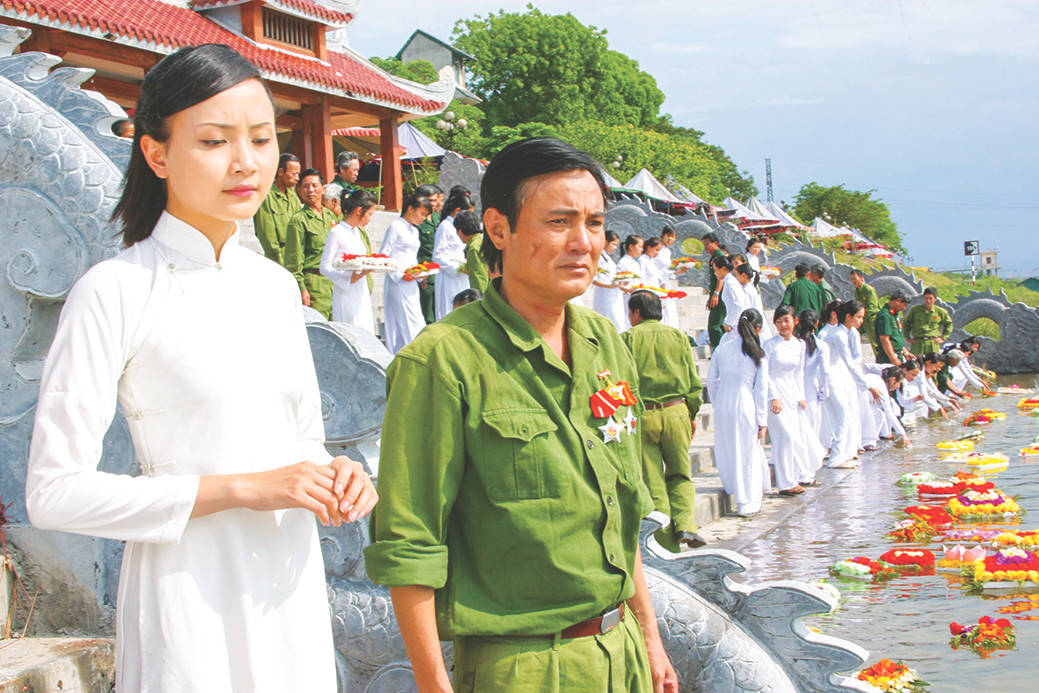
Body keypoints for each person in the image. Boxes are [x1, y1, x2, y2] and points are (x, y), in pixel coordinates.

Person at [25, 44, 377, 692]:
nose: (246, 161)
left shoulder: (274, 287)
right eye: (215, 141)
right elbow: (52, 494)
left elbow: (302, 442)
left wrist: (339, 474)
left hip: (289, 588)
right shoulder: (117, 289)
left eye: (262, 139)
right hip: (187, 594)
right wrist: (241, 488)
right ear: (156, 154)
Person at [365, 137, 677, 692]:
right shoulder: (443, 361)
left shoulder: (606, 342)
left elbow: (619, 510)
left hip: (622, 649)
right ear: (499, 228)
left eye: (595, 223)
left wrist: (650, 640)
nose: (583, 242)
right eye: (559, 221)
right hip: (523, 667)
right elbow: (409, 543)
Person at [622, 290, 706, 551]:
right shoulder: (678, 336)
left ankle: (665, 540)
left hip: (644, 414)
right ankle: (686, 525)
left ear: (636, 312)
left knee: (653, 481)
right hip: (676, 410)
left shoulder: (627, 338)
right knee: (680, 473)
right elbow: (693, 380)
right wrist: (691, 413)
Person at [706, 308, 770, 517]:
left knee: (728, 449)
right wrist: (762, 420)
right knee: (747, 451)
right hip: (745, 404)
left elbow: (711, 380)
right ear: (758, 329)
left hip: (724, 402)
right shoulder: (758, 355)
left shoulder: (722, 348)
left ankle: (734, 487)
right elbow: (761, 391)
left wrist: (718, 401)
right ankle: (747, 499)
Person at [764, 306, 825, 495]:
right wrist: (774, 396)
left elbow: (799, 372)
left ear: (795, 321)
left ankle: (794, 478)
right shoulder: (769, 345)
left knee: (796, 438)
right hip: (774, 395)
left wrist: (801, 396)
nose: (783, 325)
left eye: (786, 320)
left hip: (791, 395)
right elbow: (765, 373)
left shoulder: (800, 345)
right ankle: (785, 483)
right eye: (779, 321)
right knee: (785, 436)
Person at [823, 300, 882, 469]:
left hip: (838, 377)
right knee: (842, 416)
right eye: (859, 317)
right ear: (848, 316)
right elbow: (850, 363)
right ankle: (836, 458)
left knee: (847, 415)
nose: (861, 321)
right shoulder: (838, 335)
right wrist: (868, 386)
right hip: (831, 379)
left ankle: (844, 454)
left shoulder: (845, 333)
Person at [379, 193, 432, 354]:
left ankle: (414, 351)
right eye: (421, 213)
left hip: (411, 281)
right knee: (405, 319)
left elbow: (412, 258)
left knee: (415, 318)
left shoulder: (414, 231)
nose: (423, 218)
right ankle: (411, 352)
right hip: (398, 281)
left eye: (425, 215)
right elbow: (384, 255)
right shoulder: (395, 226)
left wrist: (420, 276)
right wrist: (399, 274)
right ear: (410, 208)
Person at [319, 189, 377, 332]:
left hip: (361, 289)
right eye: (369, 214)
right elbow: (324, 266)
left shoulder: (356, 231)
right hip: (346, 291)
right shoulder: (337, 232)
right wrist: (347, 280)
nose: (370, 219)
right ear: (359, 210)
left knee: (365, 329)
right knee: (351, 330)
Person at [285, 168, 337, 320]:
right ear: (299, 191)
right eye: (305, 186)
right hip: (314, 285)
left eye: (314, 186)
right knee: (318, 327)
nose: (310, 190)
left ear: (323, 189)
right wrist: (301, 288)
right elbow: (293, 260)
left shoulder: (330, 216)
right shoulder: (298, 221)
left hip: (333, 282)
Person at [253, 151, 300, 265]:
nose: (297, 178)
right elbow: (267, 236)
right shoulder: (267, 196)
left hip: (297, 256)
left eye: (298, 174)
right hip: (280, 258)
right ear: (280, 172)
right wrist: (280, 263)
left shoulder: (293, 195)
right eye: (293, 174)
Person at [432, 193, 473, 320]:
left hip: (462, 275)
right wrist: (456, 269)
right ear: (457, 210)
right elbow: (438, 255)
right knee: (449, 308)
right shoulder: (445, 226)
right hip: (449, 276)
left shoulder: (458, 227)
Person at [796, 309, 831, 451]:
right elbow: (825, 371)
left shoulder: (795, 343)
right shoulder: (821, 345)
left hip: (794, 387)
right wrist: (824, 389)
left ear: (798, 322)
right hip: (811, 388)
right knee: (812, 425)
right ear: (817, 323)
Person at [415, 183, 445, 324]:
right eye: (429, 200)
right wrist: (420, 275)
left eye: (434, 200)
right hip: (424, 274)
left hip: (439, 272)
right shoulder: (417, 221)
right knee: (427, 314)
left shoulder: (438, 218)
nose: (433, 204)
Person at [592, 230, 627, 332]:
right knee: (608, 320)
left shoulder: (607, 258)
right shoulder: (598, 257)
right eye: (613, 244)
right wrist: (608, 286)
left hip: (614, 294)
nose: (615, 248)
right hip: (604, 293)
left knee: (617, 321)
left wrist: (620, 284)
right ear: (605, 241)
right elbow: (593, 279)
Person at [903, 287, 953, 356]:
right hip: (918, 343)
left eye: (930, 298)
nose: (928, 301)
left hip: (932, 343)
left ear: (935, 299)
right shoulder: (915, 310)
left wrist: (943, 338)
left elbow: (949, 324)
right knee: (915, 361)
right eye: (926, 298)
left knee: (932, 361)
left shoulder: (940, 312)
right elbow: (906, 323)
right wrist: (908, 338)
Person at [718, 259, 753, 343]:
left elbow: (739, 305)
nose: (715, 273)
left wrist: (729, 322)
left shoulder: (731, 283)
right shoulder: (730, 282)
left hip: (736, 324)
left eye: (715, 270)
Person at [703, 232, 728, 348]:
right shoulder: (714, 257)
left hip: (720, 297)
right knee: (719, 325)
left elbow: (721, 277)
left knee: (714, 326)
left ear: (715, 243)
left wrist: (716, 294)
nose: (705, 247)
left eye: (707, 244)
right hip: (716, 295)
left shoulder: (719, 257)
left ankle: (719, 349)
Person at [455, 209, 489, 294]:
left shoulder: (473, 248)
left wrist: (479, 298)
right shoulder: (480, 240)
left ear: (460, 231)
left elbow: (478, 277)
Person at [874, 291, 912, 365]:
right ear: (898, 301)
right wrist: (893, 359)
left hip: (897, 355)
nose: (904, 308)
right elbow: (884, 339)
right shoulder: (885, 315)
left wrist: (906, 353)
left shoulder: (893, 315)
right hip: (888, 357)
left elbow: (896, 339)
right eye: (904, 305)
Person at [850, 269, 880, 350]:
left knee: (875, 343)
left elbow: (873, 308)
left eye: (855, 278)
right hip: (862, 319)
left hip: (871, 319)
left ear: (861, 278)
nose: (853, 281)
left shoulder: (868, 290)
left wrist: (861, 316)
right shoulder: (857, 291)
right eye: (851, 279)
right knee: (853, 334)